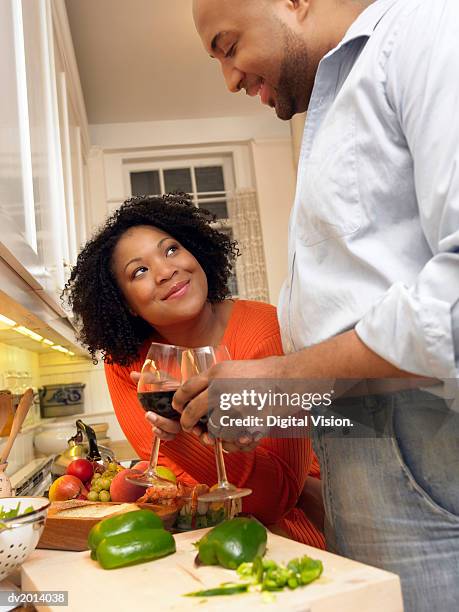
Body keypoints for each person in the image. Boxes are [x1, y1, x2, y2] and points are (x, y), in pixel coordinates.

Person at [172, 1, 459, 610]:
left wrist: (279, 379)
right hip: (374, 450)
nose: (229, 78)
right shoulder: (336, 95)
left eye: (227, 46)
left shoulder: (428, 30)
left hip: (429, 454)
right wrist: (285, 407)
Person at [63, 193, 324, 548]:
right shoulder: (125, 362)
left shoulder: (266, 329)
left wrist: (181, 423)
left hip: (286, 537)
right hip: (188, 540)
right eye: (139, 271)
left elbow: (276, 499)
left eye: (171, 250)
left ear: (195, 252)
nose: (166, 271)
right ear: (126, 305)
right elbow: (167, 476)